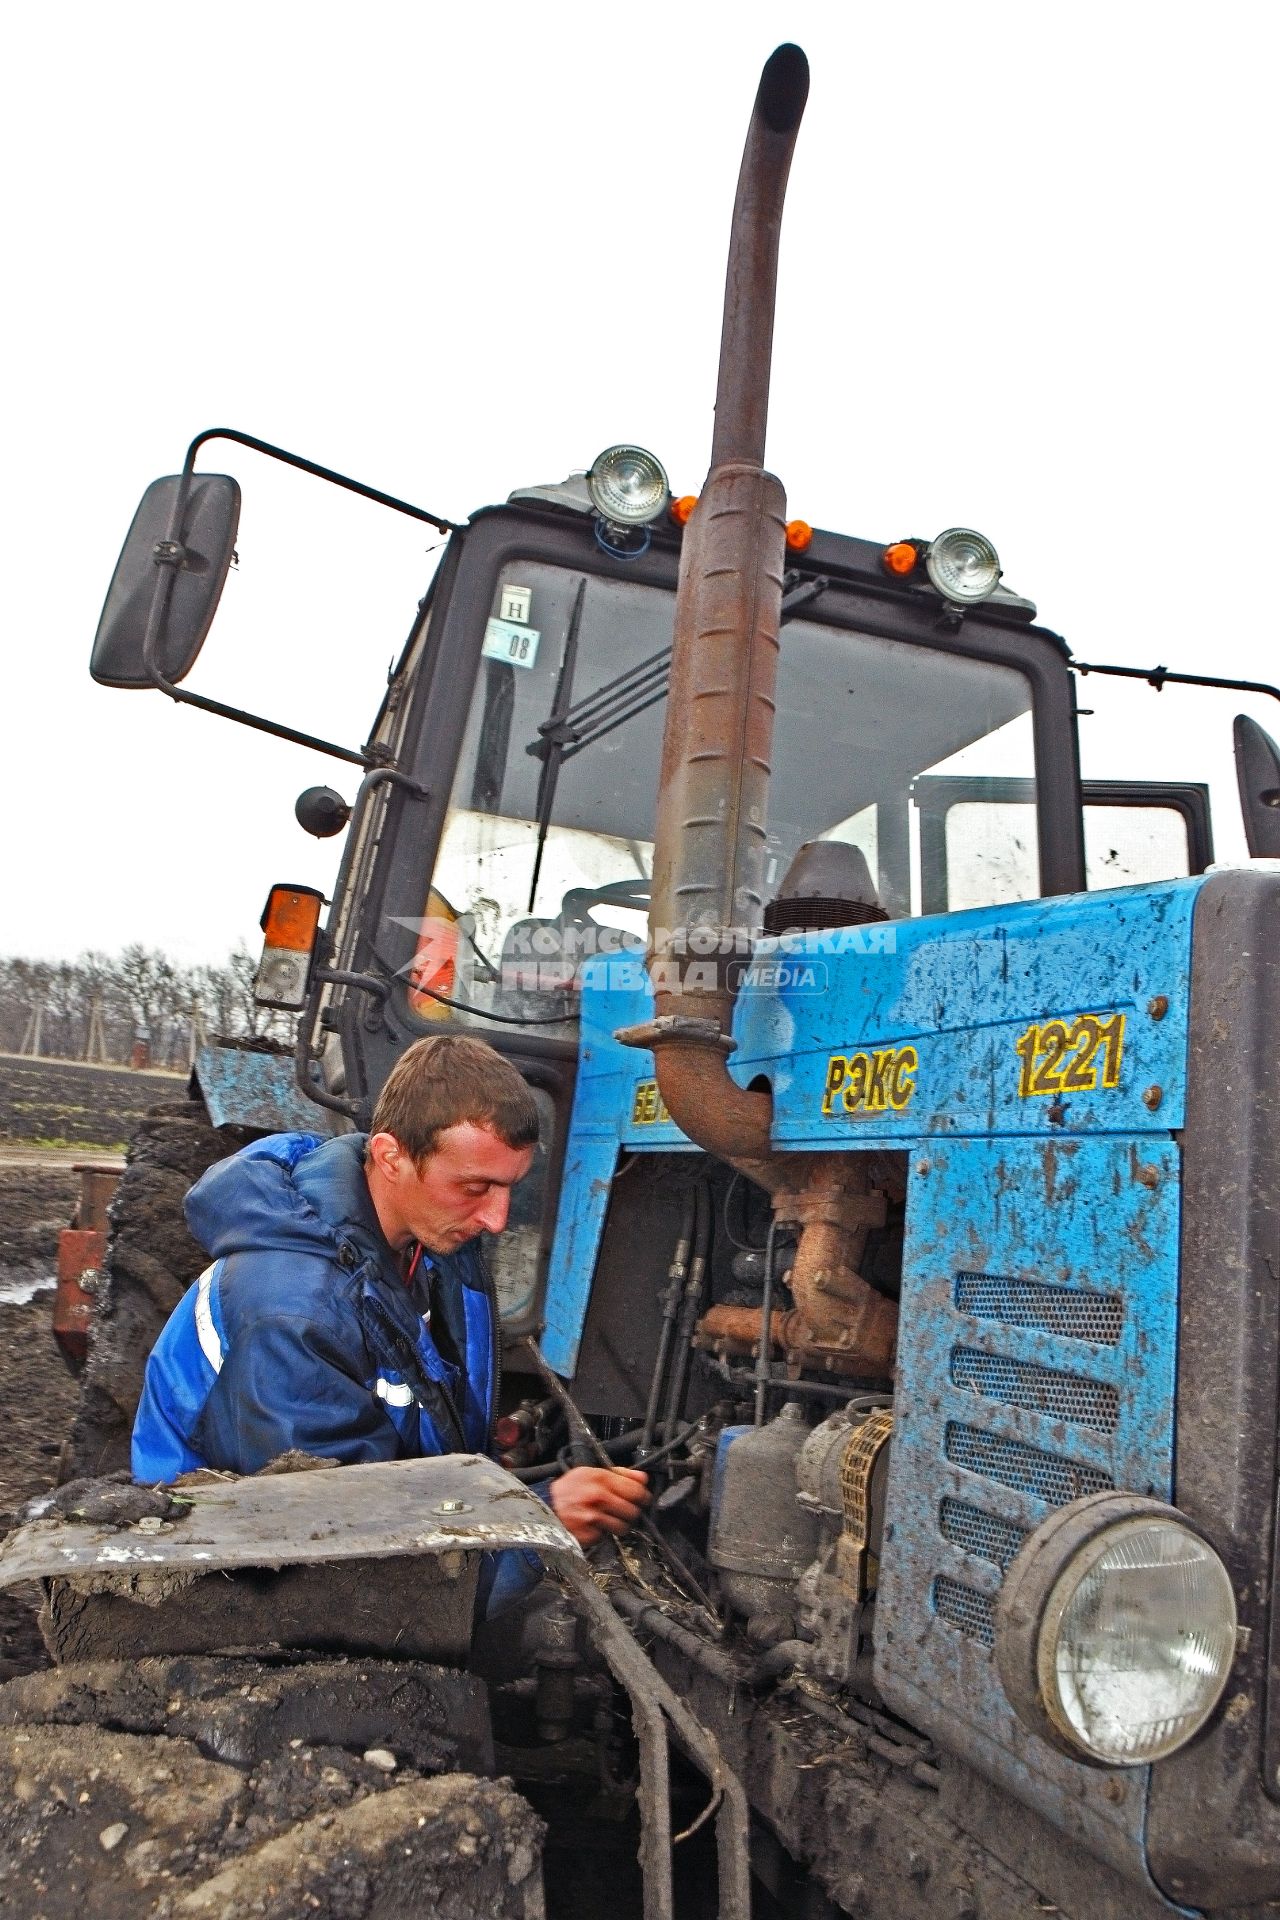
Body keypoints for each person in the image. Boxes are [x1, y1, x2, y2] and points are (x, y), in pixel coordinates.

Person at [131, 1033, 648, 1564]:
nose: (496, 1219)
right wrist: (535, 1528)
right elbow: (343, 1555)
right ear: (390, 1156)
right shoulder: (291, 1313)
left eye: (510, 1187)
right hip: (236, 1581)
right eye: (474, 1188)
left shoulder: (430, 1247)